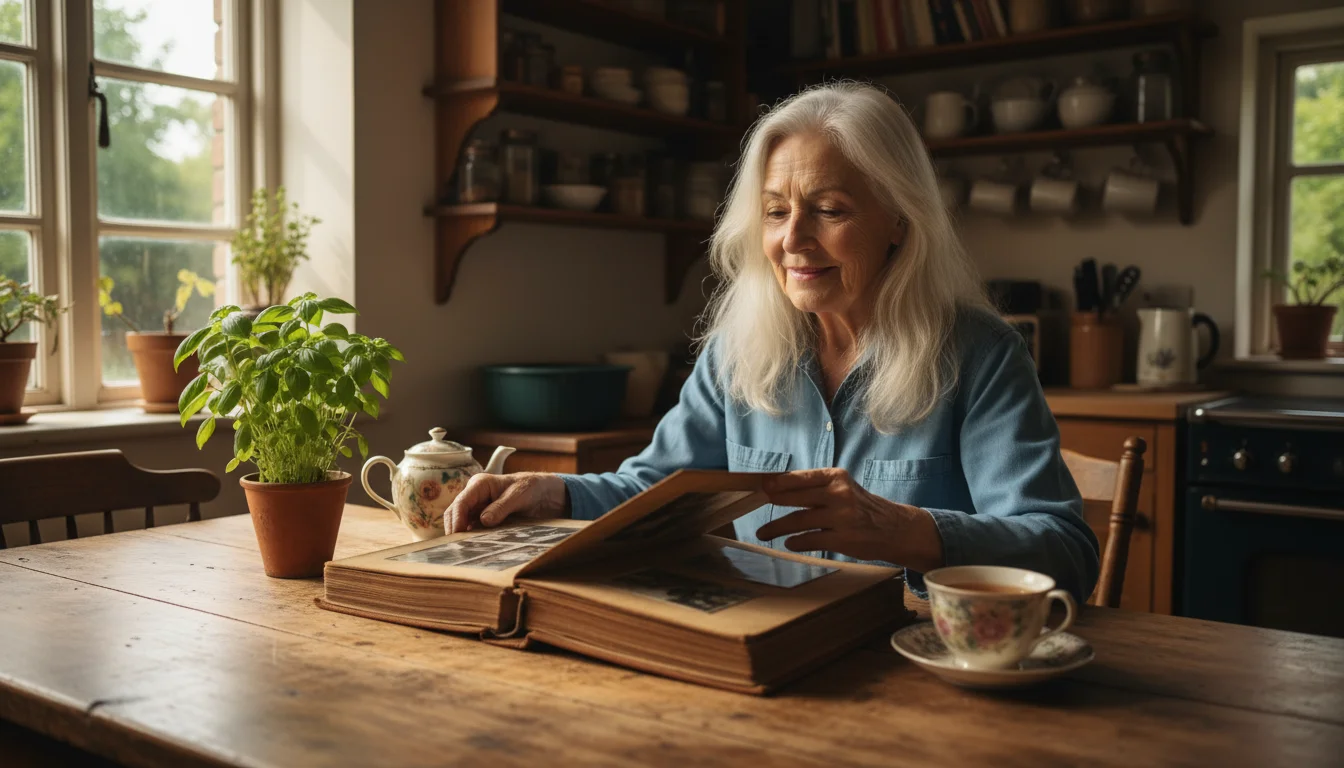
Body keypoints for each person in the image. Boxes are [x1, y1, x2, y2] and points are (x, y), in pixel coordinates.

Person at [447, 82, 1098, 601]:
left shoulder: (980, 354)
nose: (793, 240)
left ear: (899, 219)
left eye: (831, 209)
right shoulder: (739, 349)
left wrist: (906, 531)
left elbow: (1064, 552)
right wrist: (553, 493)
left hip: (918, 670)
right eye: (776, 211)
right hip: (766, 663)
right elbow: (655, 489)